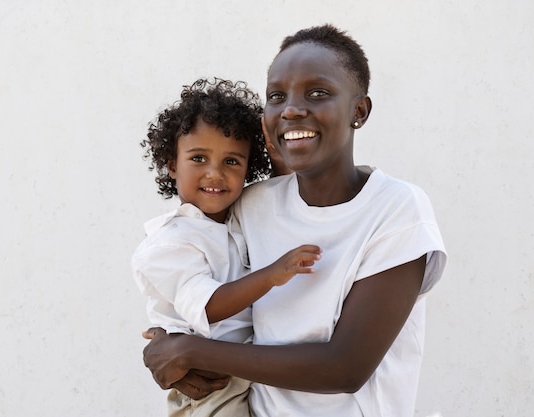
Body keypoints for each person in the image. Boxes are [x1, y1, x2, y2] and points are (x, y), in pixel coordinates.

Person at [142, 24, 448, 417]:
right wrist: (168, 351)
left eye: (317, 93)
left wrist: (191, 352)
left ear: (359, 110)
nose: (291, 108)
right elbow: (187, 271)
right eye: (276, 96)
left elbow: (345, 368)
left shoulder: (396, 209)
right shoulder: (252, 205)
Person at [132, 78, 322, 417]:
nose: (215, 174)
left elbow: (283, 195)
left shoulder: (241, 215)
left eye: (232, 161)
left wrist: (278, 153)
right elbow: (208, 306)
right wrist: (272, 275)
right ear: (171, 164)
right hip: (208, 382)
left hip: (248, 369)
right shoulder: (170, 241)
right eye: (199, 158)